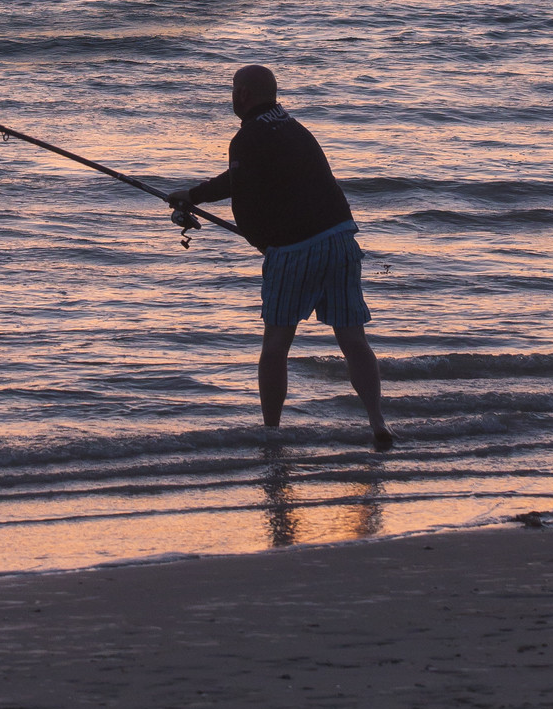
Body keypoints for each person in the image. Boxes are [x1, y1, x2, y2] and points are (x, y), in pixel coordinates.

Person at [166, 64, 393, 451]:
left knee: (275, 347)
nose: (232, 96)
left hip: (293, 249)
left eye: (234, 89)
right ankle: (378, 425)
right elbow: (239, 180)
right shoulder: (292, 126)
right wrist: (194, 195)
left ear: (243, 94)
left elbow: (245, 202)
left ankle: (272, 434)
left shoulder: (248, 137)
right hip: (340, 238)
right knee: (354, 339)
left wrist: (264, 244)